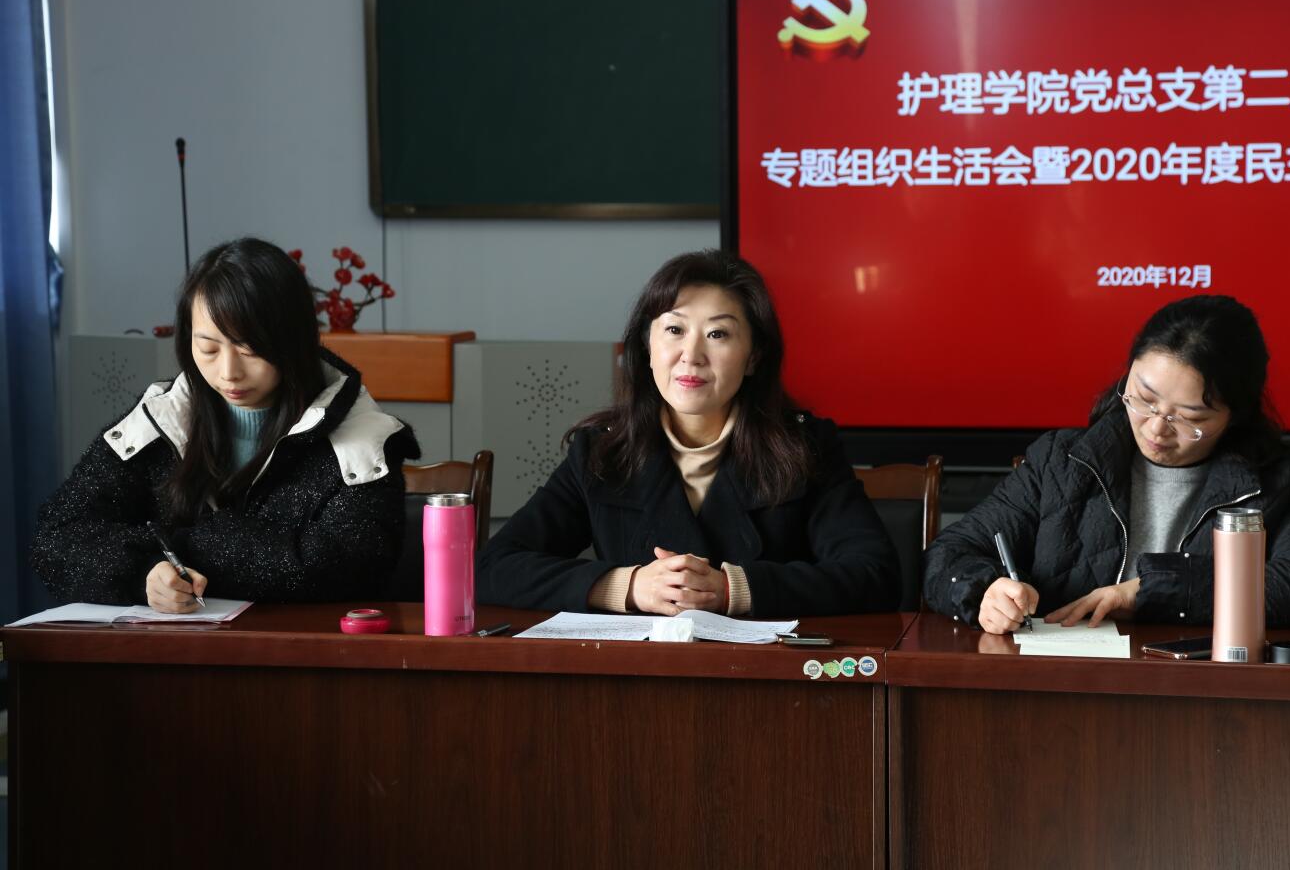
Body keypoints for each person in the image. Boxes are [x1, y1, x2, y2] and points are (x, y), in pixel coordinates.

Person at [477, 249, 899, 617]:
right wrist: (627, 586)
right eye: (675, 330)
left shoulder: (804, 447)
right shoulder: (603, 450)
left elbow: (876, 574)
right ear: (647, 346)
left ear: (753, 357)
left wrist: (733, 590)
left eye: (718, 334)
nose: (691, 355)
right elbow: (493, 567)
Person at [31, 237, 419, 611]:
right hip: (178, 650)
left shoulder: (362, 438)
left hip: (304, 649)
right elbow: (57, 536)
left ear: (294, 341)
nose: (228, 372)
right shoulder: (163, 419)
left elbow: (353, 565)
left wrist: (184, 547)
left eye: (250, 350)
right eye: (209, 348)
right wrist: (143, 574)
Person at [924, 294, 1290, 634]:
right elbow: (949, 554)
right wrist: (984, 591)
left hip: (1210, 689)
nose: (1156, 429)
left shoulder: (1287, 481)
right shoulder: (1062, 460)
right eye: (1144, 399)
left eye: (1189, 418)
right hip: (1066, 685)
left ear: (1235, 415)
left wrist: (1152, 590)